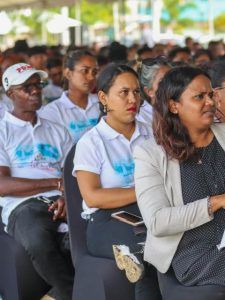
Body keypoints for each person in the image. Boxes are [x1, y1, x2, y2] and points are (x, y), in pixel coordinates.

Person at [133, 66, 225, 299]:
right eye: (199, 97)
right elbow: (157, 221)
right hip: (196, 249)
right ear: (174, 105)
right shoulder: (150, 153)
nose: (210, 102)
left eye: (211, 94)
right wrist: (216, 202)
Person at [73, 64, 160, 299]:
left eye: (136, 92)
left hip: (150, 212)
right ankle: (126, 254)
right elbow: (93, 196)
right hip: (106, 222)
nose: (133, 99)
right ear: (104, 98)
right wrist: (145, 190)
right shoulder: (91, 142)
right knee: (144, 254)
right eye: (124, 93)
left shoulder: (152, 133)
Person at [0, 63, 73, 300]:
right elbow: (3, 185)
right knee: (38, 241)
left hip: (61, 201)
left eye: (38, 85)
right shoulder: (2, 131)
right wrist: (55, 183)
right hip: (24, 206)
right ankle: (72, 293)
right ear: (10, 93)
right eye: (26, 87)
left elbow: (73, 175)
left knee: (79, 243)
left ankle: (56, 295)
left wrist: (65, 196)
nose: (35, 91)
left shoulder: (56, 130)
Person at [39, 50, 100, 143]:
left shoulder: (103, 103)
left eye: (94, 72)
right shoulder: (52, 113)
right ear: (68, 73)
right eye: (85, 71)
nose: (91, 77)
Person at [137, 57, 171, 125]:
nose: (171, 84)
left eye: (173, 78)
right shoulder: (141, 120)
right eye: (163, 82)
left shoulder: (175, 110)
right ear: (150, 91)